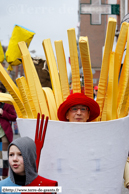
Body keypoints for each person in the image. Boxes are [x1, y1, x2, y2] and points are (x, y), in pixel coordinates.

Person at [0, 82, 17, 180]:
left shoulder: (7, 103)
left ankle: (5, 177)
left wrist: (3, 113)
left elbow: (14, 117)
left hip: (4, 134)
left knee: (5, 157)